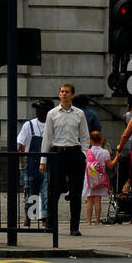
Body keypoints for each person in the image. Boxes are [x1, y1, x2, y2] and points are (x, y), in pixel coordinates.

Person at [39, 83, 90, 237]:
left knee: (75, 192)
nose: (64, 94)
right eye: (62, 92)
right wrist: (43, 160)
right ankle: (51, 223)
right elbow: (47, 137)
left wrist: (85, 154)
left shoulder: (79, 114)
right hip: (57, 153)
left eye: (67, 92)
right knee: (53, 190)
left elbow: (85, 136)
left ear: (72, 95)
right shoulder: (52, 114)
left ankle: (74, 227)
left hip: (75, 152)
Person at [17, 101, 50, 225]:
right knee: (31, 189)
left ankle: (45, 216)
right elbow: (20, 141)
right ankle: (30, 215)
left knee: (46, 189)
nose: (37, 112)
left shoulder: (50, 125)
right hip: (31, 162)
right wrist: (18, 149)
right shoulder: (29, 125)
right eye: (37, 109)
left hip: (47, 161)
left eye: (40, 109)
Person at [83, 130, 117, 226]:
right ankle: (97, 221)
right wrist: (117, 157)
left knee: (89, 200)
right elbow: (110, 166)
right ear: (101, 140)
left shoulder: (87, 152)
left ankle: (88, 222)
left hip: (90, 178)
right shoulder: (105, 152)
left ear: (91, 141)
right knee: (98, 200)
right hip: (100, 178)